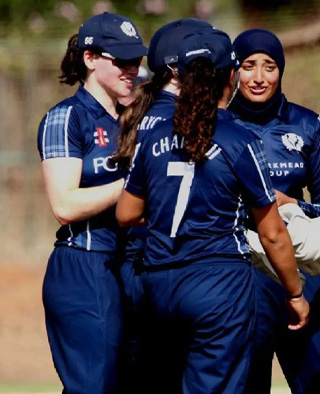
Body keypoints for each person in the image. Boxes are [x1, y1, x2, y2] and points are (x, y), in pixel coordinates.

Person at [115, 28, 309, 393]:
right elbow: (272, 233)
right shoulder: (238, 139)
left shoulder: (154, 136)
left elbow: (126, 214)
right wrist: (295, 294)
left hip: (158, 283)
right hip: (217, 285)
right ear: (232, 75)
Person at [227, 28, 320, 394]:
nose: (259, 77)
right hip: (244, 278)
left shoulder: (307, 124)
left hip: (306, 273)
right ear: (234, 71)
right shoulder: (220, 126)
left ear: (281, 70)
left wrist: (293, 204)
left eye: (269, 66)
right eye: (249, 66)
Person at [36, 12, 146, 393]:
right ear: (90, 59)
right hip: (85, 266)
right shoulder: (67, 118)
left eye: (136, 60)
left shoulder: (136, 119)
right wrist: (133, 183)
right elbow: (64, 204)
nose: (132, 69)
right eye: (121, 61)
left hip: (134, 266)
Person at [111, 18, 213, 391]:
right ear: (176, 69)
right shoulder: (181, 121)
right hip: (170, 266)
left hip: (137, 263)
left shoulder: (141, 112)